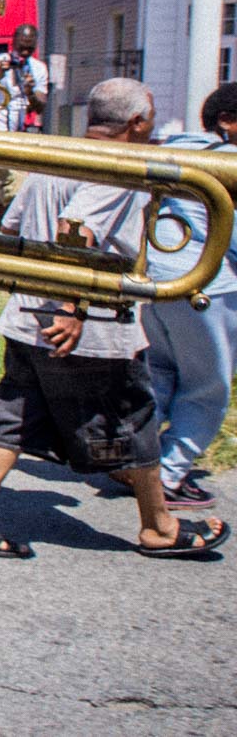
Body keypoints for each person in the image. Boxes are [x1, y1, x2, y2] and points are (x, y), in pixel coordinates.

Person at [0, 79, 228, 560]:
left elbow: (11, 227)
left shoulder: (55, 160)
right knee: (133, 419)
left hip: (26, 318)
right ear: (137, 122)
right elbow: (75, 229)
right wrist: (72, 306)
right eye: (151, 115)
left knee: (12, 420)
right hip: (89, 324)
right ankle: (159, 526)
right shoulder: (116, 167)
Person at [140, 83, 237, 508]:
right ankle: (172, 475)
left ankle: (138, 463)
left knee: (159, 374)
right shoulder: (228, 160)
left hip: (155, 280)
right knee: (207, 386)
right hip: (208, 285)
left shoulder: (172, 149)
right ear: (227, 123)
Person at [0, 23, 49, 221]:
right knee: (15, 184)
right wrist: (0, 75)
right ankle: (11, 233)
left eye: (30, 47)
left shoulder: (38, 69)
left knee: (1, 192)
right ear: (13, 43)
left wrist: (30, 93)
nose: (25, 52)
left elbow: (40, 106)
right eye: (22, 47)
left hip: (16, 135)